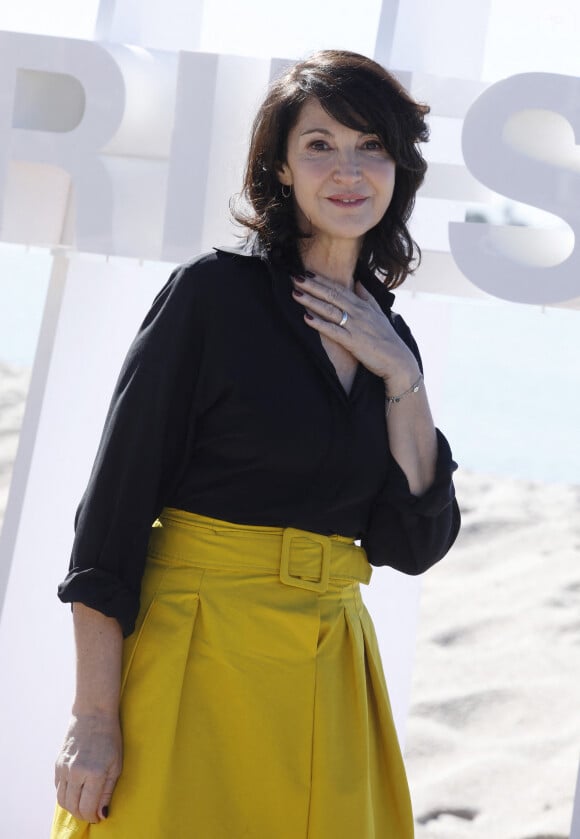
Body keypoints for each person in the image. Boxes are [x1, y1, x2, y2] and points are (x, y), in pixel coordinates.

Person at [51, 49, 460, 839]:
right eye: (320, 145)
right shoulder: (211, 297)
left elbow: (411, 544)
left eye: (371, 145)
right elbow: (110, 518)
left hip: (330, 664)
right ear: (279, 169)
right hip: (197, 650)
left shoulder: (389, 340)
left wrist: (403, 375)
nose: (349, 169)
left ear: (398, 169)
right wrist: (93, 714)